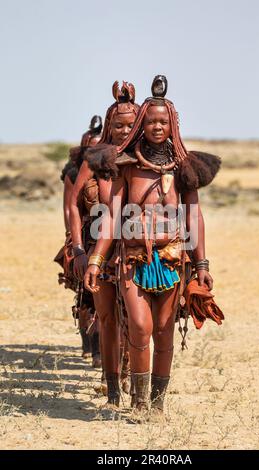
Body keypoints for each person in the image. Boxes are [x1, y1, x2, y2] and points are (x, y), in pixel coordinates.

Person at [84, 75, 221, 414]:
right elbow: (111, 217)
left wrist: (201, 265)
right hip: (132, 259)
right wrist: (95, 260)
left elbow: (194, 218)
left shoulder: (185, 169)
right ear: (141, 124)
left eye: (163, 121)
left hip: (173, 259)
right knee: (141, 327)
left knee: (163, 331)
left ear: (172, 123)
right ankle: (138, 402)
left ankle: (156, 406)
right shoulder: (126, 167)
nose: (157, 127)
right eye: (151, 121)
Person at [70, 81, 139, 405]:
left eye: (130, 124)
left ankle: (133, 376)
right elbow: (72, 204)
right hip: (99, 244)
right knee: (108, 317)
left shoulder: (147, 158)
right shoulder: (96, 159)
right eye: (119, 125)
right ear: (109, 126)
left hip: (140, 248)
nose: (125, 130)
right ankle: (112, 387)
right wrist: (80, 250)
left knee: (138, 320)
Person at [54, 115, 103, 366]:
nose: (95, 151)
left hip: (106, 232)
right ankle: (91, 346)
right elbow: (68, 208)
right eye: (91, 147)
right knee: (84, 294)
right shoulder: (75, 172)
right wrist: (74, 241)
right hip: (83, 233)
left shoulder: (109, 168)